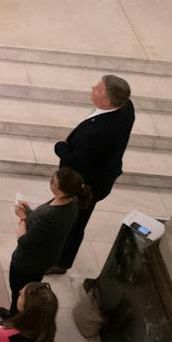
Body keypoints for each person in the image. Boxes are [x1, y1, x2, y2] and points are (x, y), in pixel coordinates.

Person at [50, 74, 135, 274]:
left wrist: (60, 146)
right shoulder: (126, 107)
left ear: (106, 100)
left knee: (75, 222)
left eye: (97, 89)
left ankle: (62, 262)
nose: (92, 88)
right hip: (103, 172)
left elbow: (74, 161)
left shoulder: (98, 133)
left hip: (87, 183)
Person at [0, 167, 88, 320]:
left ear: (60, 191)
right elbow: (45, 228)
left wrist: (23, 218)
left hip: (28, 262)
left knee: (20, 291)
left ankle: (13, 319)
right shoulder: (71, 202)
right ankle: (15, 314)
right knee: (29, 288)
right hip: (45, 257)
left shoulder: (50, 215)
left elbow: (24, 242)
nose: (50, 182)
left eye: (53, 181)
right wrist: (30, 212)